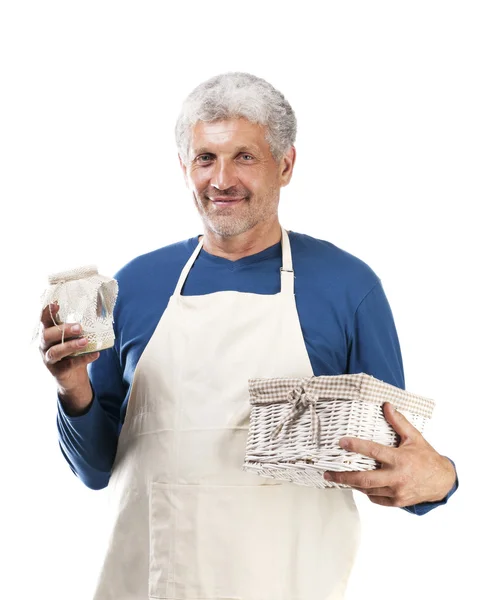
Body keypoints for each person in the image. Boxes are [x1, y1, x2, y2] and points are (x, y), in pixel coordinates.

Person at [39, 72, 458, 600]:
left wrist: (442, 480)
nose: (221, 180)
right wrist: (73, 386)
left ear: (285, 165)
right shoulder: (137, 285)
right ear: (184, 167)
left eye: (244, 156)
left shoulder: (347, 287)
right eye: (205, 158)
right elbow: (96, 470)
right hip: (148, 584)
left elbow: (400, 463)